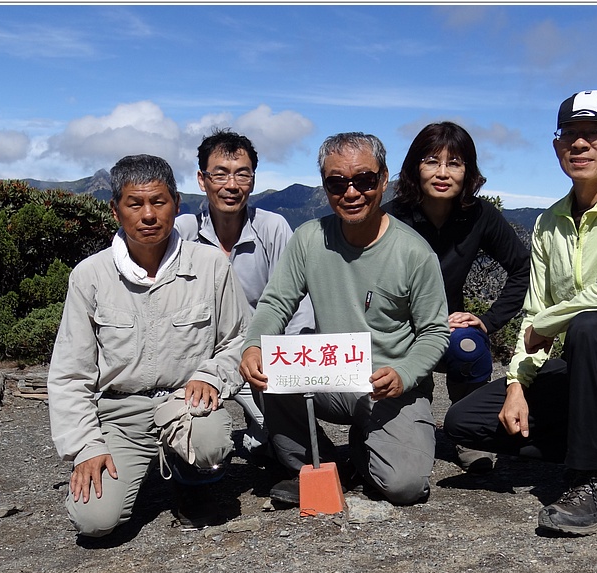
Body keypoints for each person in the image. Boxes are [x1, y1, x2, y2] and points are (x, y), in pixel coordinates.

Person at [444, 90, 597, 536]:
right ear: (557, 146)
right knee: (467, 422)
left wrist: (549, 324)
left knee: (592, 326)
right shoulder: (549, 221)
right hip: (584, 371)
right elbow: (534, 310)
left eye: (595, 133)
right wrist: (517, 383)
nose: (580, 144)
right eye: (569, 134)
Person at [239, 132, 450, 506]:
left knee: (403, 487)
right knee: (270, 372)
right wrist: (254, 345)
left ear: (384, 180)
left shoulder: (414, 253)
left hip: (391, 386)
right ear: (325, 186)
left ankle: (366, 450)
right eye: (337, 183)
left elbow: (434, 332)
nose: (351, 192)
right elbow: (276, 303)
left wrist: (404, 374)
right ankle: (321, 464)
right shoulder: (308, 239)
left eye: (365, 180)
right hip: (331, 374)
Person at [47, 154, 250, 537]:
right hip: (119, 415)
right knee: (94, 521)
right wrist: (85, 447)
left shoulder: (210, 266)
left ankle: (193, 483)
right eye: (134, 203)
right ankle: (139, 464)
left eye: (159, 202)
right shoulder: (90, 276)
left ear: (176, 202)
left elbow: (238, 339)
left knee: (209, 441)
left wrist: (211, 374)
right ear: (115, 210)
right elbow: (70, 373)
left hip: (186, 405)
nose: (148, 215)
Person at [385, 121, 530, 473]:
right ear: (414, 167)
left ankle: (467, 433)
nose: (443, 172)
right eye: (432, 161)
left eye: (455, 163)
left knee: (470, 344)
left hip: (447, 328)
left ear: (468, 172)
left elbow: (523, 269)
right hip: (394, 332)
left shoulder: (479, 216)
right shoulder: (391, 218)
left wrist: (490, 320)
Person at [174, 129, 314, 457]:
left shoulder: (273, 228)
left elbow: (298, 300)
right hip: (199, 360)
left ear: (253, 179)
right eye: (220, 174)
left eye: (242, 174)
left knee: (285, 452)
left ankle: (262, 433)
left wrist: (293, 365)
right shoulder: (183, 234)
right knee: (201, 443)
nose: (232, 185)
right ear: (201, 179)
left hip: (259, 358)